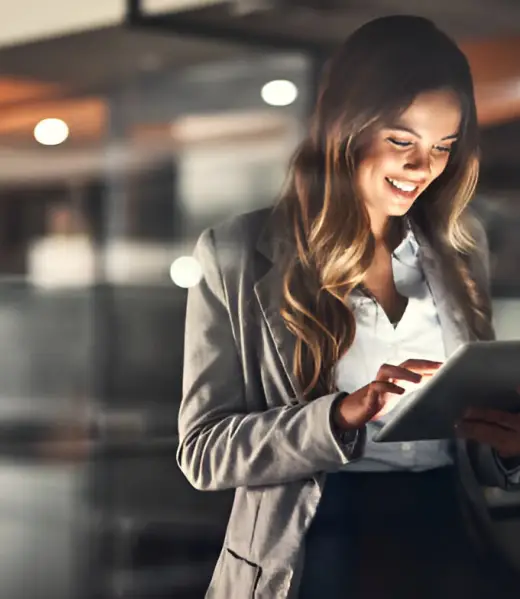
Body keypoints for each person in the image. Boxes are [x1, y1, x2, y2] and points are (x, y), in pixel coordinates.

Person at [177, 15, 520, 599]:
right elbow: (204, 451)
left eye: (442, 146)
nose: (423, 168)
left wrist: (510, 451)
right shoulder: (234, 254)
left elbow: (470, 454)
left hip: (447, 541)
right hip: (318, 551)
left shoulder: (462, 249)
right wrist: (339, 416)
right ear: (345, 127)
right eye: (401, 140)